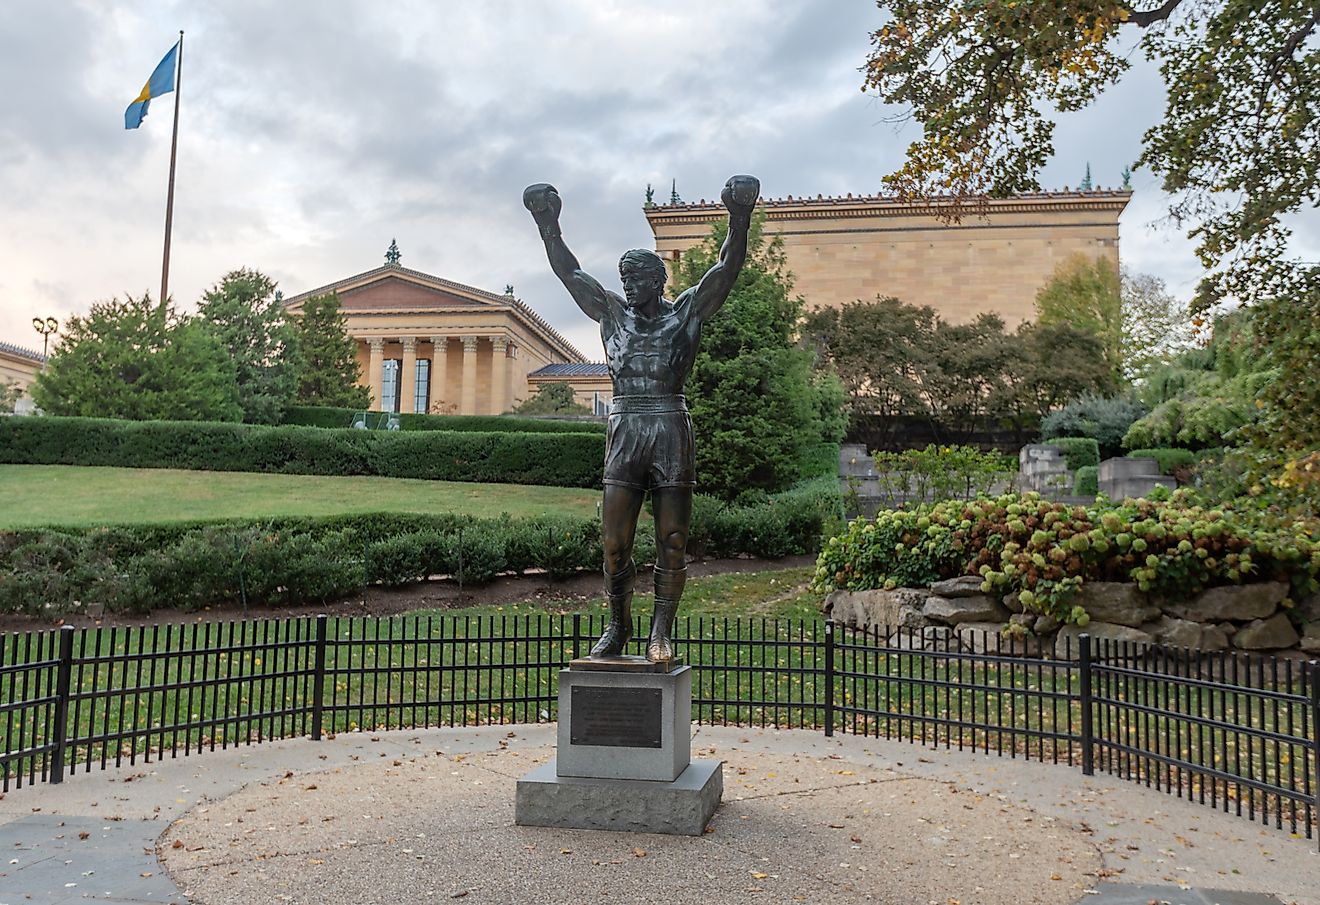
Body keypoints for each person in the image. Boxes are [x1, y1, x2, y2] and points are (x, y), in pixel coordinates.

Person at [524, 175, 760, 662]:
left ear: (658, 280)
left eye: (636, 277)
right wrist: (549, 225)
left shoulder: (686, 314)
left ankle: (661, 633)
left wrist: (739, 216)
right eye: (624, 277)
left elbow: (727, 268)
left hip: (671, 424)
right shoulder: (611, 315)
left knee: (673, 540)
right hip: (627, 425)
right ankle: (618, 625)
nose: (627, 285)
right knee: (615, 544)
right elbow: (570, 275)